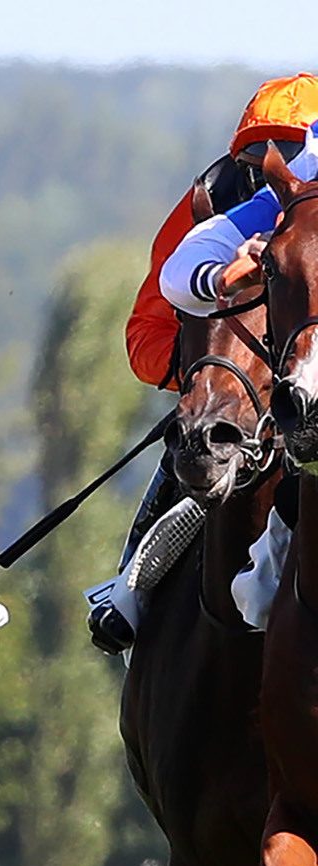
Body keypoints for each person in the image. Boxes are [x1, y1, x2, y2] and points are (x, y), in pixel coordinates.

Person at [87, 74, 318, 654]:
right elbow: (147, 333)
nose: (272, 165)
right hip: (237, 390)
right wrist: (208, 373)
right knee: (188, 457)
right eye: (256, 155)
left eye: (287, 151)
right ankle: (130, 587)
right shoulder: (214, 209)